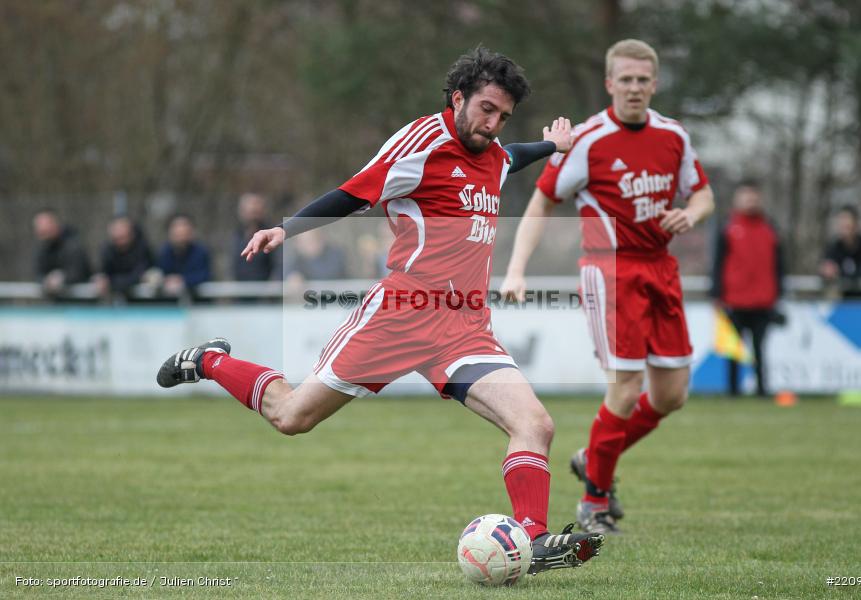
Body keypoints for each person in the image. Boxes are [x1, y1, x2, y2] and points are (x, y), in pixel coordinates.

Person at [155, 47, 603, 574]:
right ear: (458, 98)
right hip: (400, 315)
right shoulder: (422, 144)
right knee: (292, 416)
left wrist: (553, 145)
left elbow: (514, 156)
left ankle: (533, 539)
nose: (493, 124)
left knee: (535, 424)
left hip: (463, 326)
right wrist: (286, 228)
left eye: (503, 116)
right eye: (486, 109)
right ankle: (209, 361)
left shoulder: (494, 154)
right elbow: (353, 193)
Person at [500, 39, 715, 535]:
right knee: (627, 386)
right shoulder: (588, 139)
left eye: (643, 80)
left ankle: (593, 456)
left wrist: (692, 213)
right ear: (610, 83)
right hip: (610, 271)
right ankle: (594, 501)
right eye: (626, 79)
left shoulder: (673, 135)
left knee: (672, 395)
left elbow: (703, 193)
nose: (634, 88)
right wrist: (516, 268)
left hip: (660, 267)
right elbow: (542, 201)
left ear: (654, 84)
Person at [710, 183, 784, 397]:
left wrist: (779, 291)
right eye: (746, 197)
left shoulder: (770, 228)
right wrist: (717, 293)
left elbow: (779, 264)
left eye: (754, 197)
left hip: (763, 300)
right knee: (733, 349)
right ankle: (733, 391)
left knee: (760, 348)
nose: (750, 201)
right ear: (737, 200)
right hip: (734, 299)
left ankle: (762, 389)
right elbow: (718, 263)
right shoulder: (728, 228)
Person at [819, 205, 861, 299]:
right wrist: (826, 270)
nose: (844, 227)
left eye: (847, 225)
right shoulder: (834, 247)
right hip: (849, 302)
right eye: (841, 224)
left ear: (856, 224)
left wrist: (841, 272)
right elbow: (827, 266)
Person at [32, 208, 92, 298]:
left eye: (44, 226)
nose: (41, 229)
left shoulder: (73, 244)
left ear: (54, 224)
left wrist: (61, 278)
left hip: (82, 300)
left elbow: (79, 273)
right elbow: (38, 273)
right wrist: (45, 280)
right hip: (59, 301)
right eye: (38, 226)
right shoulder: (42, 248)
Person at [94, 216, 155, 302]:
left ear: (132, 234)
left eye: (123, 237)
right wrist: (101, 280)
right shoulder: (107, 249)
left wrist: (112, 282)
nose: (121, 242)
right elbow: (102, 273)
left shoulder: (142, 248)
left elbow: (139, 275)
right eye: (116, 238)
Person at [157, 214, 212, 300]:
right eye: (177, 233)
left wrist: (182, 280)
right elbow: (160, 273)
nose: (181, 235)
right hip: (170, 302)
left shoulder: (201, 251)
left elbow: (204, 275)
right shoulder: (165, 252)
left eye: (184, 232)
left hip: (197, 301)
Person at [232, 193, 280, 282]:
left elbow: (278, 264)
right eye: (250, 212)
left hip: (265, 287)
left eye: (255, 212)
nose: (253, 216)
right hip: (240, 287)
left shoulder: (271, 236)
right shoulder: (236, 236)